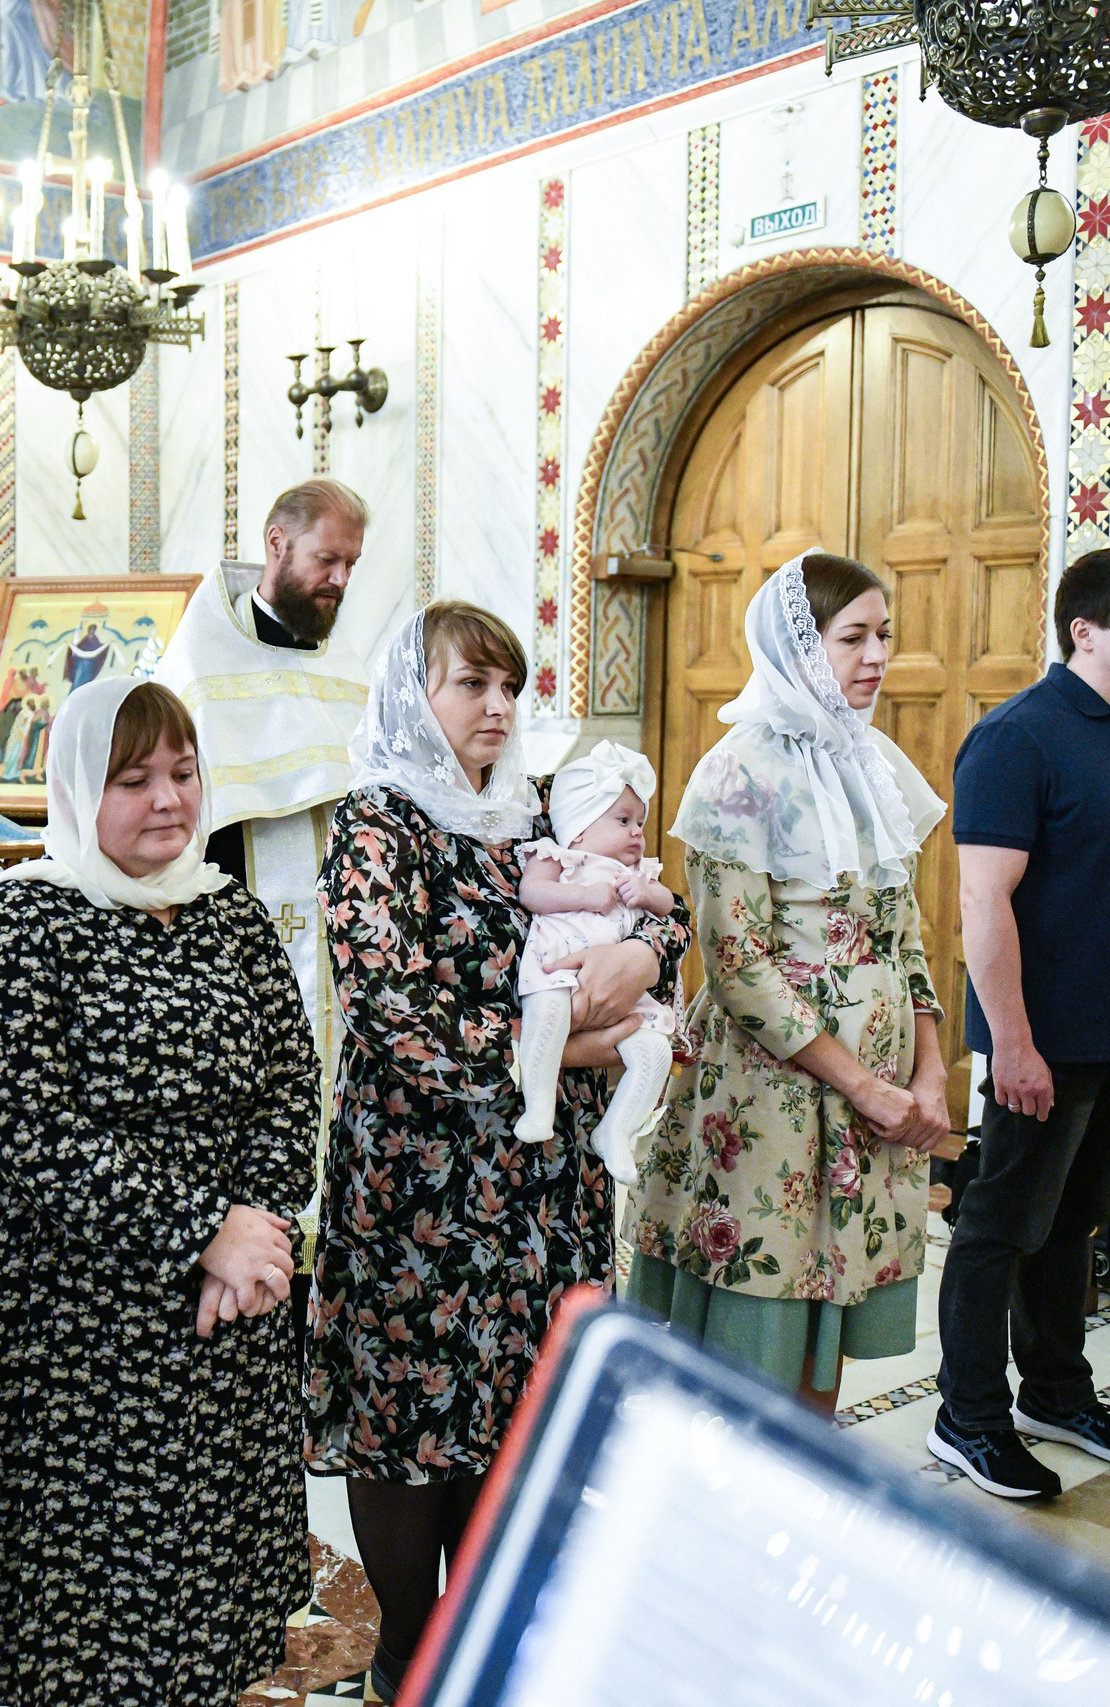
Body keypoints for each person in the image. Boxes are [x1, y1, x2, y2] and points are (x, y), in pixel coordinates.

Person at [306, 601, 690, 1702]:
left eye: (508, 687)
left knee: (508, 1409)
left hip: (540, 1185)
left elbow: (652, 900)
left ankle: (480, 1628)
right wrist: (568, 1045)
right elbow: (388, 1004)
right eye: (469, 685)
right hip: (418, 1175)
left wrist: (645, 957)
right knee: (408, 1417)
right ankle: (406, 1647)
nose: (496, 707)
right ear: (412, 696)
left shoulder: (529, 815)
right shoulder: (379, 823)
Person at [0, 676, 315, 1707]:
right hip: (65, 1338)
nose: (168, 800)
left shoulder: (228, 916)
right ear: (72, 788)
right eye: (133, 778)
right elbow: (34, 1136)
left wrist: (258, 1242)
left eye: (183, 774)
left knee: (199, 1606)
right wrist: (206, 1233)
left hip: (217, 1326)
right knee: (72, 1626)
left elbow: (290, 1084)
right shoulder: (20, 923)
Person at [627, 553, 951, 1415]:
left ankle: (803, 1486)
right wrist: (863, 1084)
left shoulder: (872, 763)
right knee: (755, 1329)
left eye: (883, 635)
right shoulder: (740, 771)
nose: (876, 655)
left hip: (874, 1099)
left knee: (826, 1316)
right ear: (799, 648)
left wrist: (928, 1073)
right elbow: (736, 965)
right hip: (778, 1092)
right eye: (854, 637)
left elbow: (905, 931)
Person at [931, 547, 1110, 1501]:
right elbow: (984, 905)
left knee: (1076, 1222)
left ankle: (1054, 1391)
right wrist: (1013, 1043)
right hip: (1042, 1044)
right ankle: (968, 1416)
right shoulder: (1019, 738)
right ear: (1086, 630)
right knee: (999, 1223)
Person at [153, 478, 374, 1090]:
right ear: (277, 544)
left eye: (351, 563)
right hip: (239, 916)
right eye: (326, 559)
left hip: (344, 921)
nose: (340, 579)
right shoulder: (203, 654)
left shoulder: (343, 660)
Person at [512, 740, 678, 1169]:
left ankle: (617, 1130)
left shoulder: (638, 874)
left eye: (639, 822)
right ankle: (538, 1104)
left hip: (621, 986)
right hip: (555, 967)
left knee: (654, 1051)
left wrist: (648, 893)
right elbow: (531, 893)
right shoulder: (561, 855)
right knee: (546, 1015)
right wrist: (584, 895)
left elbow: (673, 910)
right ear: (580, 828)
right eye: (623, 820)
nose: (637, 832)